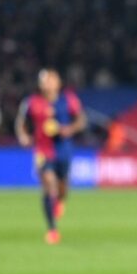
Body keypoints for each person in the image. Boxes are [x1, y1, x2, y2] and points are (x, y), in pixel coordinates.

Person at [14, 69, 86, 245]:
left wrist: (69, 129)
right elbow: (21, 122)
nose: (48, 84)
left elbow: (81, 120)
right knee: (49, 185)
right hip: (43, 151)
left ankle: (60, 201)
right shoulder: (32, 102)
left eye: (51, 80)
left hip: (64, 150)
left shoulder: (68, 100)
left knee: (62, 187)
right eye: (45, 81)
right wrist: (23, 136)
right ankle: (52, 230)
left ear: (58, 83)